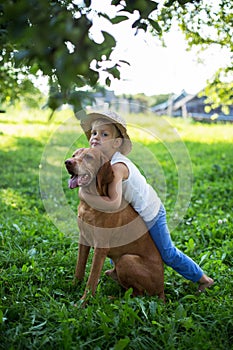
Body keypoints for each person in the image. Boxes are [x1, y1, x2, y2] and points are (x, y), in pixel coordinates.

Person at [78, 110, 214, 292]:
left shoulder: (118, 167)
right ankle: (118, 269)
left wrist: (85, 195)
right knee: (119, 234)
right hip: (134, 212)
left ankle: (203, 279)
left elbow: (113, 204)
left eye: (104, 134)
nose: (95, 137)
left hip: (151, 212)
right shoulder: (100, 162)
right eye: (94, 133)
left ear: (117, 143)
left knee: (167, 252)